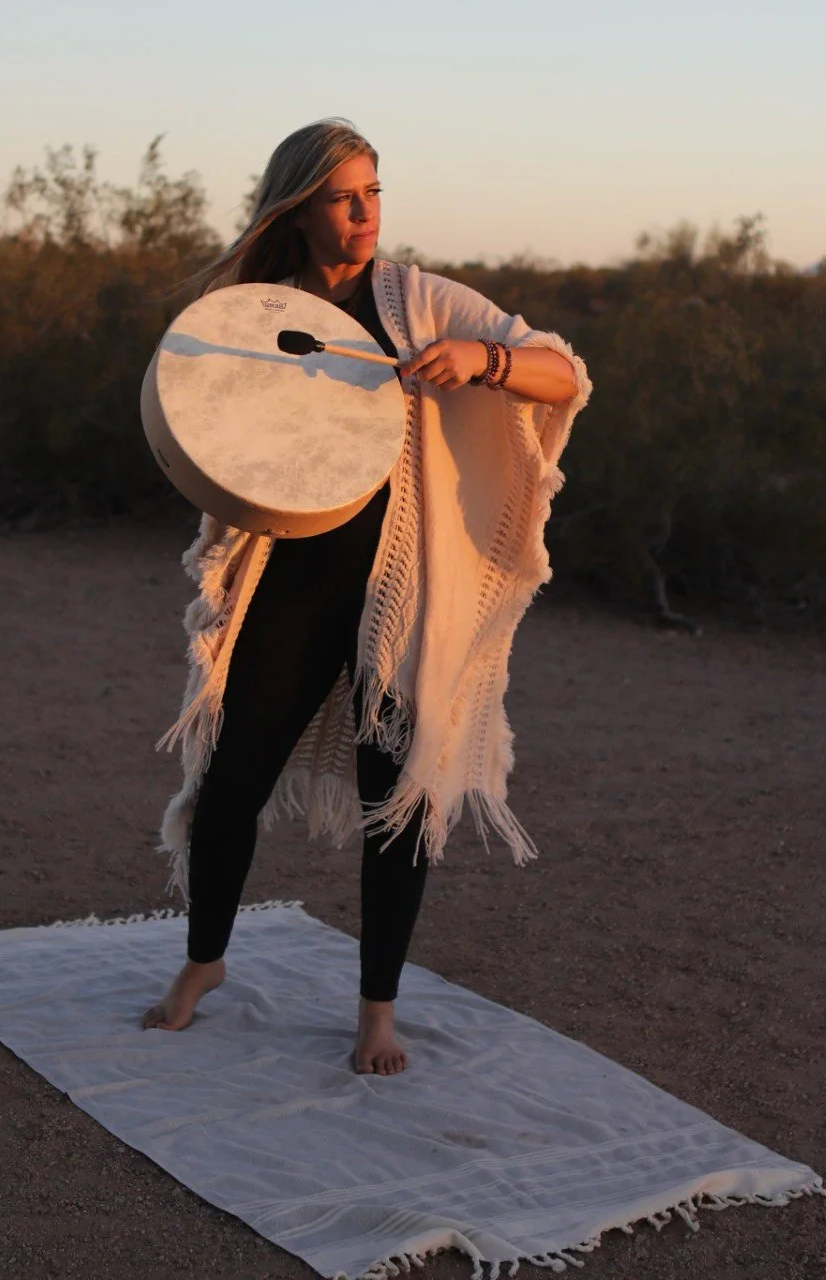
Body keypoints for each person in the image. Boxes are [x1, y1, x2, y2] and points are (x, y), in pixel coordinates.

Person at [142, 119, 589, 1076]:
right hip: (293, 583)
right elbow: (212, 423)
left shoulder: (424, 302)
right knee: (230, 782)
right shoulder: (257, 314)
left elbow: (564, 371)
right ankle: (204, 963)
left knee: (398, 799)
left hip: (404, 593)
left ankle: (377, 1010)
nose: (364, 214)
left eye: (375, 192)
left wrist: (485, 362)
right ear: (299, 208)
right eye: (344, 197)